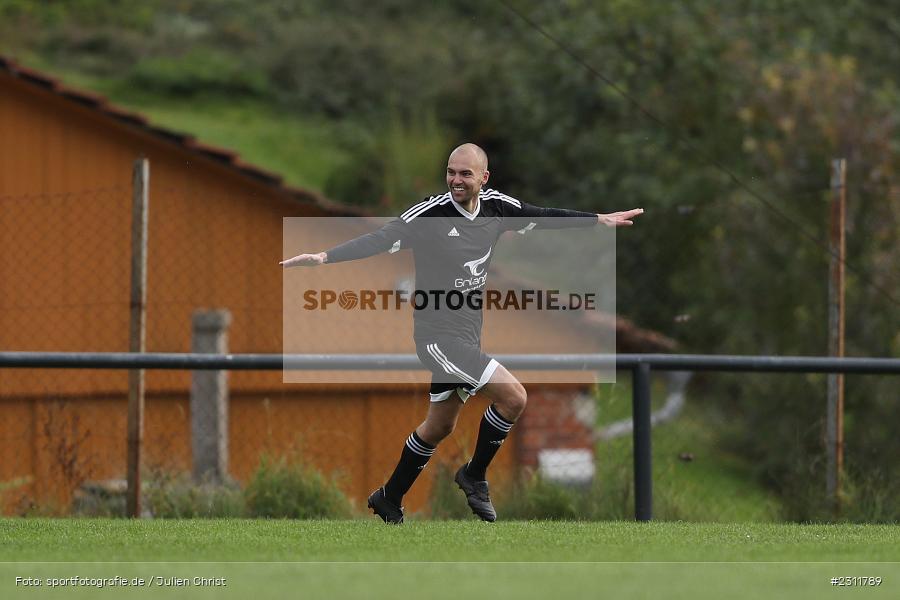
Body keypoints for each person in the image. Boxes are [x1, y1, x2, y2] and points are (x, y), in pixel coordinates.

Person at [281, 143, 642, 523]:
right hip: (438, 338)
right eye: (451, 172)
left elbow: (543, 216)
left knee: (439, 426)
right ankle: (474, 475)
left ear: (484, 178)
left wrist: (597, 220)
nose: (456, 180)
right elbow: (381, 238)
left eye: (465, 174)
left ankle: (389, 496)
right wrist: (324, 257)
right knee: (514, 398)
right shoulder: (430, 214)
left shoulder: (496, 208)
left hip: (467, 335)